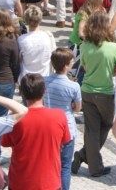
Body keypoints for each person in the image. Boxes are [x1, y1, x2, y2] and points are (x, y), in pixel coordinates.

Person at [71, 13, 116, 178]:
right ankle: (90, 162)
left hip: (87, 91)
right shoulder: (113, 47)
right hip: (105, 92)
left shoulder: (85, 46)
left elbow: (85, 67)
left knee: (91, 130)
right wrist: (110, 72)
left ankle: (87, 158)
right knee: (106, 125)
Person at [2, 73, 71, 190]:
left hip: (20, 182)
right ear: (44, 91)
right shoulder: (59, 115)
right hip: (50, 183)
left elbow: (4, 142)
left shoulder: (15, 119)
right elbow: (65, 141)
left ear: (22, 93)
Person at [44, 48, 82, 190]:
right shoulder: (74, 86)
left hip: (48, 126)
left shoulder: (44, 81)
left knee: (48, 163)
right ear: (66, 65)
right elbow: (77, 108)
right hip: (66, 127)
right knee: (65, 166)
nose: (73, 63)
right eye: (71, 61)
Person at [18, 5, 56, 79]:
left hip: (26, 79)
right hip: (45, 78)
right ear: (40, 19)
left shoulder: (21, 39)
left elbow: (19, 60)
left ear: (26, 20)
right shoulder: (49, 36)